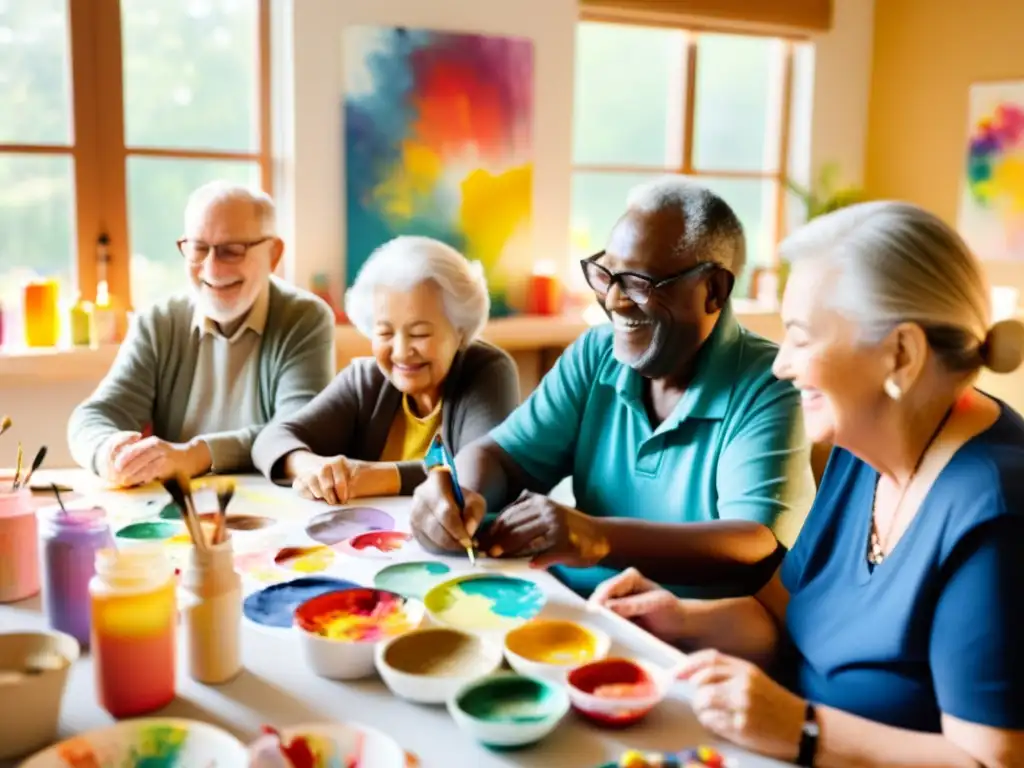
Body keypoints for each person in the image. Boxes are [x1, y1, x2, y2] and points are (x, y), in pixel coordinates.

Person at [592, 201, 1024, 766]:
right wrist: (677, 617)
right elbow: (782, 614)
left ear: (901, 355)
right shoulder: (867, 437)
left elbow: (993, 761)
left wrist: (804, 730)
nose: (781, 365)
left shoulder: (993, 517)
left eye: (800, 337)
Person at [411, 178, 815, 598]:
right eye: (607, 275)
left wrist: (598, 537)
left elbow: (752, 540)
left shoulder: (769, 383)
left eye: (640, 282)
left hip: (687, 639)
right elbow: (502, 456)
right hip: (579, 610)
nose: (615, 300)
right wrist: (463, 499)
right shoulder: (597, 353)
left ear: (713, 290)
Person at [67, 181, 336, 487]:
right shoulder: (159, 321)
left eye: (232, 251)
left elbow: (298, 428)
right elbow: (96, 415)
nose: (212, 269)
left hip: (274, 505)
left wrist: (196, 455)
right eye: (198, 249)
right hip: (180, 509)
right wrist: (108, 452)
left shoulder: (305, 318)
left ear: (273, 254)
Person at [251, 236, 520, 503]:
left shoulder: (487, 370)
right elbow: (271, 439)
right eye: (385, 332)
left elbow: (481, 470)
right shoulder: (365, 381)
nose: (401, 351)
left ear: (460, 331)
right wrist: (313, 468)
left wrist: (374, 476)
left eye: (420, 333)